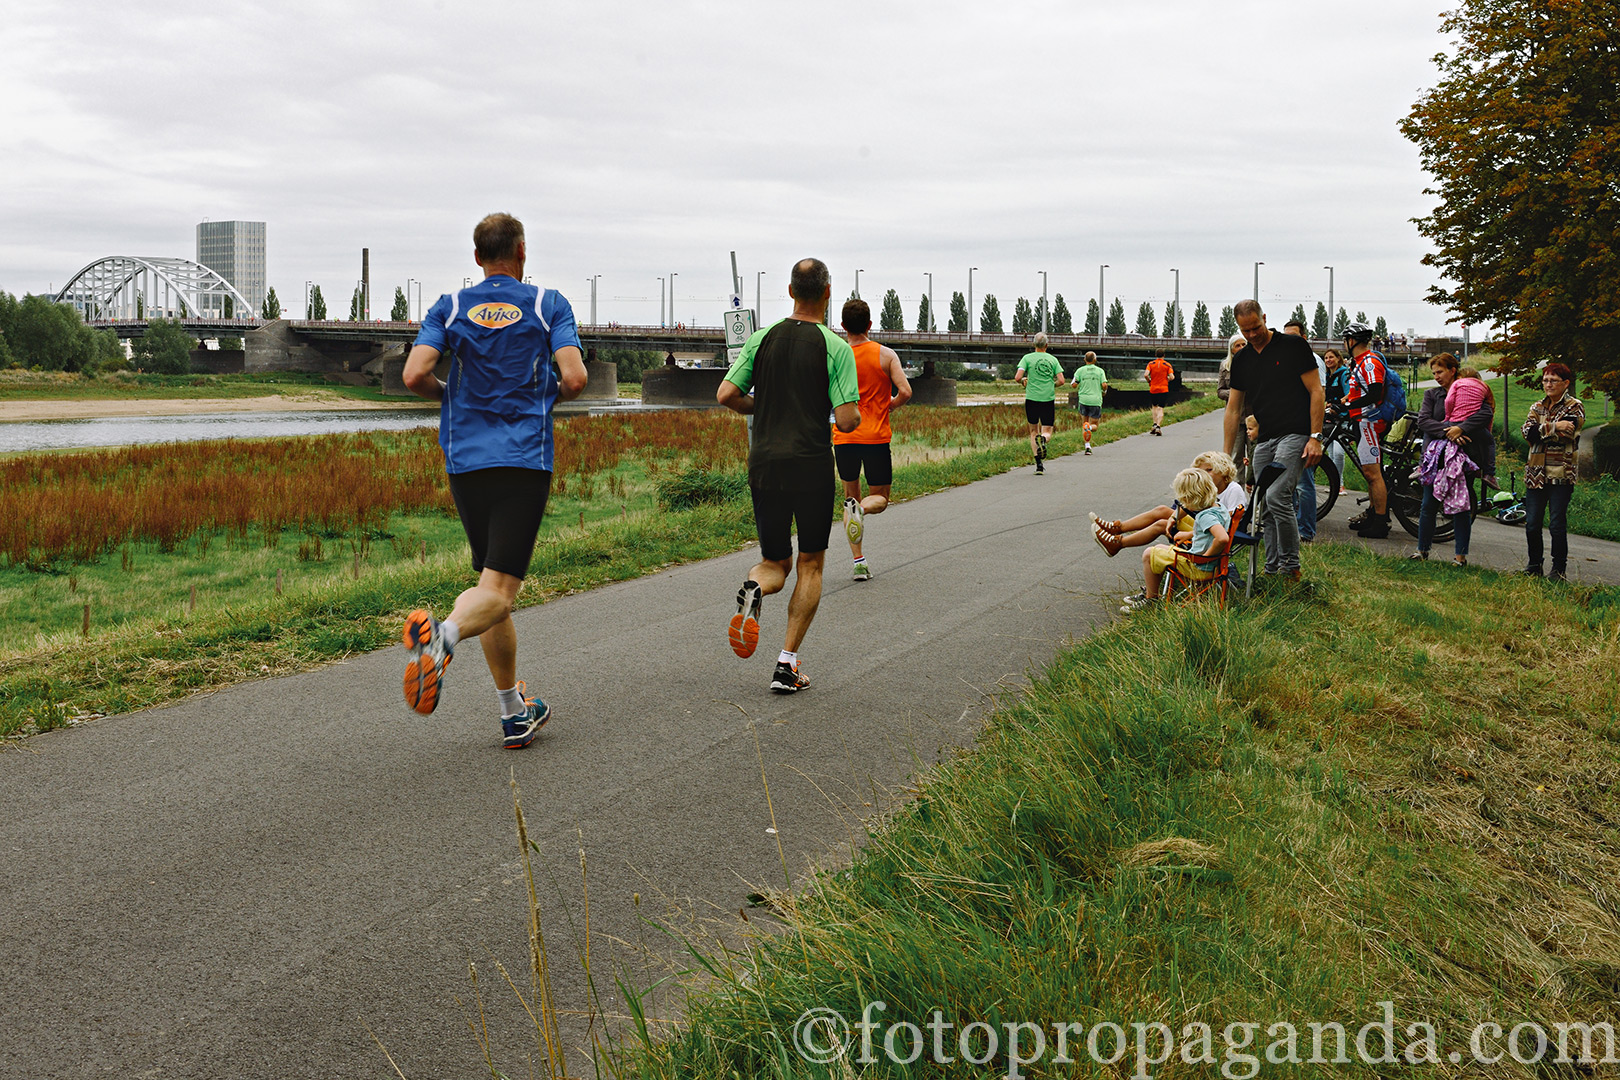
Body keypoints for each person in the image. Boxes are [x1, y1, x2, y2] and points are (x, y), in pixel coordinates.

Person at [399, 212, 589, 749]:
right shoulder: (548, 303)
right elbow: (574, 377)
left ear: (477, 257)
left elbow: (415, 374)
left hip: (464, 460)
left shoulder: (450, 305)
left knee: (490, 582)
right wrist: (545, 395)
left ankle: (513, 712)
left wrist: (453, 396)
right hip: (523, 458)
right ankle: (443, 639)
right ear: (522, 252)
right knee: (502, 591)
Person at [717, 258, 860, 692]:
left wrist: (763, 405)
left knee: (773, 562)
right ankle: (787, 663)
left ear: (791, 291)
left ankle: (754, 589)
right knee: (810, 564)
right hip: (811, 463)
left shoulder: (761, 339)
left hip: (764, 463)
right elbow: (848, 419)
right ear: (828, 293)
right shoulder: (835, 347)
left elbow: (726, 394)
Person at [1222, 300, 1324, 583]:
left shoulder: (1292, 347)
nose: (1252, 335)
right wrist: (1224, 455)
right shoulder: (1242, 360)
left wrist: (1316, 437)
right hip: (1264, 438)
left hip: (1296, 432)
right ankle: (1271, 570)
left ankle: (1291, 568)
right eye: (1245, 330)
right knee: (1262, 503)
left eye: (1256, 327)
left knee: (1278, 495)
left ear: (1265, 318)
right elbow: (1233, 410)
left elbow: (1316, 391)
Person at [834, 297, 912, 581]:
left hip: (843, 437)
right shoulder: (886, 355)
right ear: (869, 324)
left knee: (848, 498)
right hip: (876, 438)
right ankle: (862, 509)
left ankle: (859, 562)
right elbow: (905, 392)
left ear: (843, 326)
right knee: (880, 497)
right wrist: (888, 405)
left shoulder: (834, 356)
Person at [1411, 353, 1494, 566]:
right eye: (1434, 373)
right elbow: (1424, 421)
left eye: (1440, 372)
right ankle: (1422, 550)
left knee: (1462, 506)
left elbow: (1485, 414)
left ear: (1452, 370)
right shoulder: (1432, 395)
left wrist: (1462, 428)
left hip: (1465, 456)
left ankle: (1460, 556)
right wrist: (1451, 430)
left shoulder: (1471, 390)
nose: (1436, 376)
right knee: (1429, 504)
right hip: (1436, 458)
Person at [1090, 450, 1245, 557]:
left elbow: (1229, 525)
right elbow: (1189, 506)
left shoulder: (1233, 490)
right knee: (1163, 511)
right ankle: (1117, 528)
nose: (1204, 475)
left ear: (1224, 470)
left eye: (1209, 470)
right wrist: (1174, 518)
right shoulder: (1210, 489)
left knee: (1160, 524)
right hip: (1205, 525)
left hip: (1213, 533)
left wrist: (1191, 533)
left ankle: (1118, 543)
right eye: (1201, 472)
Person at [1119, 468, 1231, 612]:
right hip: (1211, 565)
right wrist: (1189, 535)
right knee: (1159, 548)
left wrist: (1205, 558)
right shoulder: (1220, 508)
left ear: (1192, 498)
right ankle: (1150, 594)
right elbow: (1212, 532)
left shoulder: (1205, 516)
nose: (1183, 505)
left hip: (1199, 567)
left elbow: (1222, 538)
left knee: (1149, 554)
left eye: (1184, 500)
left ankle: (1150, 600)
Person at [1520, 362, 1585, 581]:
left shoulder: (1575, 406)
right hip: (1535, 472)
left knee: (1556, 524)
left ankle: (1558, 570)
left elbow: (1570, 433)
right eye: (1545, 380)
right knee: (1532, 523)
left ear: (1565, 383)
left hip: (1561, 473)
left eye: (1553, 380)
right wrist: (1555, 427)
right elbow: (1527, 433)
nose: (1548, 384)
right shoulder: (1537, 406)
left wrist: (1543, 430)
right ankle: (1534, 565)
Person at [1335, 322, 1393, 538]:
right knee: (1369, 474)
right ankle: (1373, 514)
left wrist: (1349, 405)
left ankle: (1380, 523)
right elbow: (1359, 392)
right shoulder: (1358, 363)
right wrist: (1342, 402)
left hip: (1370, 422)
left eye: (1345, 340)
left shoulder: (1369, 362)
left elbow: (1374, 393)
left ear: (1353, 341)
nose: (1344, 343)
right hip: (1361, 421)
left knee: (1372, 473)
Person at [1282, 320, 1327, 542]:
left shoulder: (1314, 361)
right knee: (1289, 482)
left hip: (1305, 429)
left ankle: (1306, 531)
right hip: (1288, 428)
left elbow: (1319, 395)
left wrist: (1314, 435)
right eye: (1286, 336)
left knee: (1304, 482)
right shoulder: (1287, 360)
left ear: (1304, 338)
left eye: (1294, 336)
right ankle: (1292, 529)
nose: (1290, 341)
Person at [1015, 332, 1066, 473]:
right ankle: (1043, 440)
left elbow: (1017, 377)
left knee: (1033, 431)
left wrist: (1024, 381)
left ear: (1034, 344)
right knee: (1047, 430)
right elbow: (1062, 380)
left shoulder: (1027, 358)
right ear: (1047, 345)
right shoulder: (1053, 360)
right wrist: (1052, 385)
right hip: (1047, 399)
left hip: (1031, 398)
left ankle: (1039, 465)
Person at [1218, 333, 1252, 483]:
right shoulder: (1225, 366)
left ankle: (1254, 494)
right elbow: (1220, 391)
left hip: (1253, 418)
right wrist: (1233, 393)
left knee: (1254, 455)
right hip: (1235, 419)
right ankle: (1238, 493)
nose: (1241, 348)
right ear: (1231, 350)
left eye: (1243, 344)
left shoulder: (1255, 363)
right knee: (1236, 456)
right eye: (1237, 345)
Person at [1321, 348, 1349, 492]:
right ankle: (1337, 485)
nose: (1328, 360)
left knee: (1338, 452)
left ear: (1338, 358)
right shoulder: (1327, 376)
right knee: (1331, 453)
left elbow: (1348, 394)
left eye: (1331, 357)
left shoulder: (1343, 374)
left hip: (1342, 418)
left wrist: (1336, 405)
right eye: (1326, 358)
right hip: (1330, 419)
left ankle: (1338, 484)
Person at [1072, 351, 1108, 455]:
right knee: (1094, 426)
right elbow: (1104, 385)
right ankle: (1090, 428)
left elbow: (1074, 384)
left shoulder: (1080, 370)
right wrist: (1104, 391)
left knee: (1085, 423)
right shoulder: (1100, 371)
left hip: (1083, 400)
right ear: (1095, 360)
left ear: (1084, 360)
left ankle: (1087, 446)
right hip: (1095, 400)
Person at [1144, 354, 1175, 434]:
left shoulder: (1150, 364)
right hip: (1163, 389)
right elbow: (1172, 377)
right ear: (1164, 355)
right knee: (1160, 408)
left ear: (1155, 355)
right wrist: (1167, 380)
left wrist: (1149, 381)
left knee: (1154, 406)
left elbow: (1146, 374)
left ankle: (1154, 424)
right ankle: (1158, 426)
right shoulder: (1167, 365)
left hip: (1153, 389)